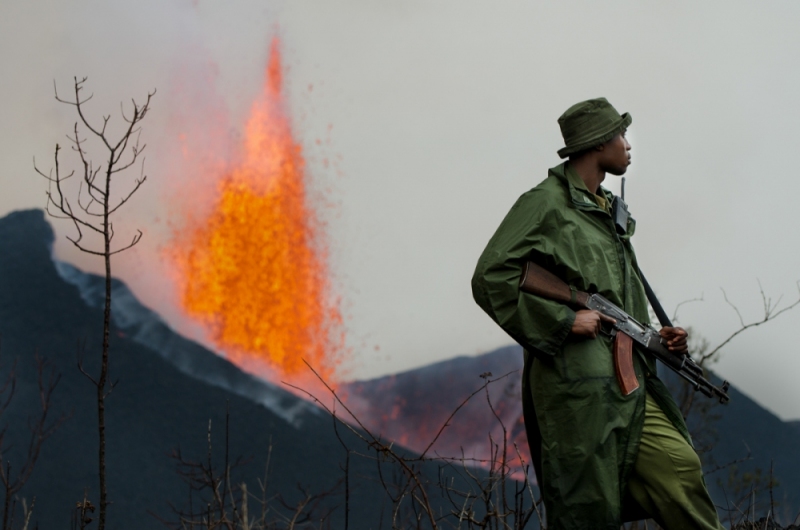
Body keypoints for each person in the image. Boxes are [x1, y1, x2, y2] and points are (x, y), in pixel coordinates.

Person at [471, 98, 723, 529]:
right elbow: (491, 277)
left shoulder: (609, 210)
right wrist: (563, 321)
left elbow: (615, 294)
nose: (627, 145)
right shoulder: (545, 204)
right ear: (596, 144)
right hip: (577, 387)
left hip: (630, 381)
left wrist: (658, 338)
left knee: (679, 471)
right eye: (620, 135)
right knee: (585, 508)